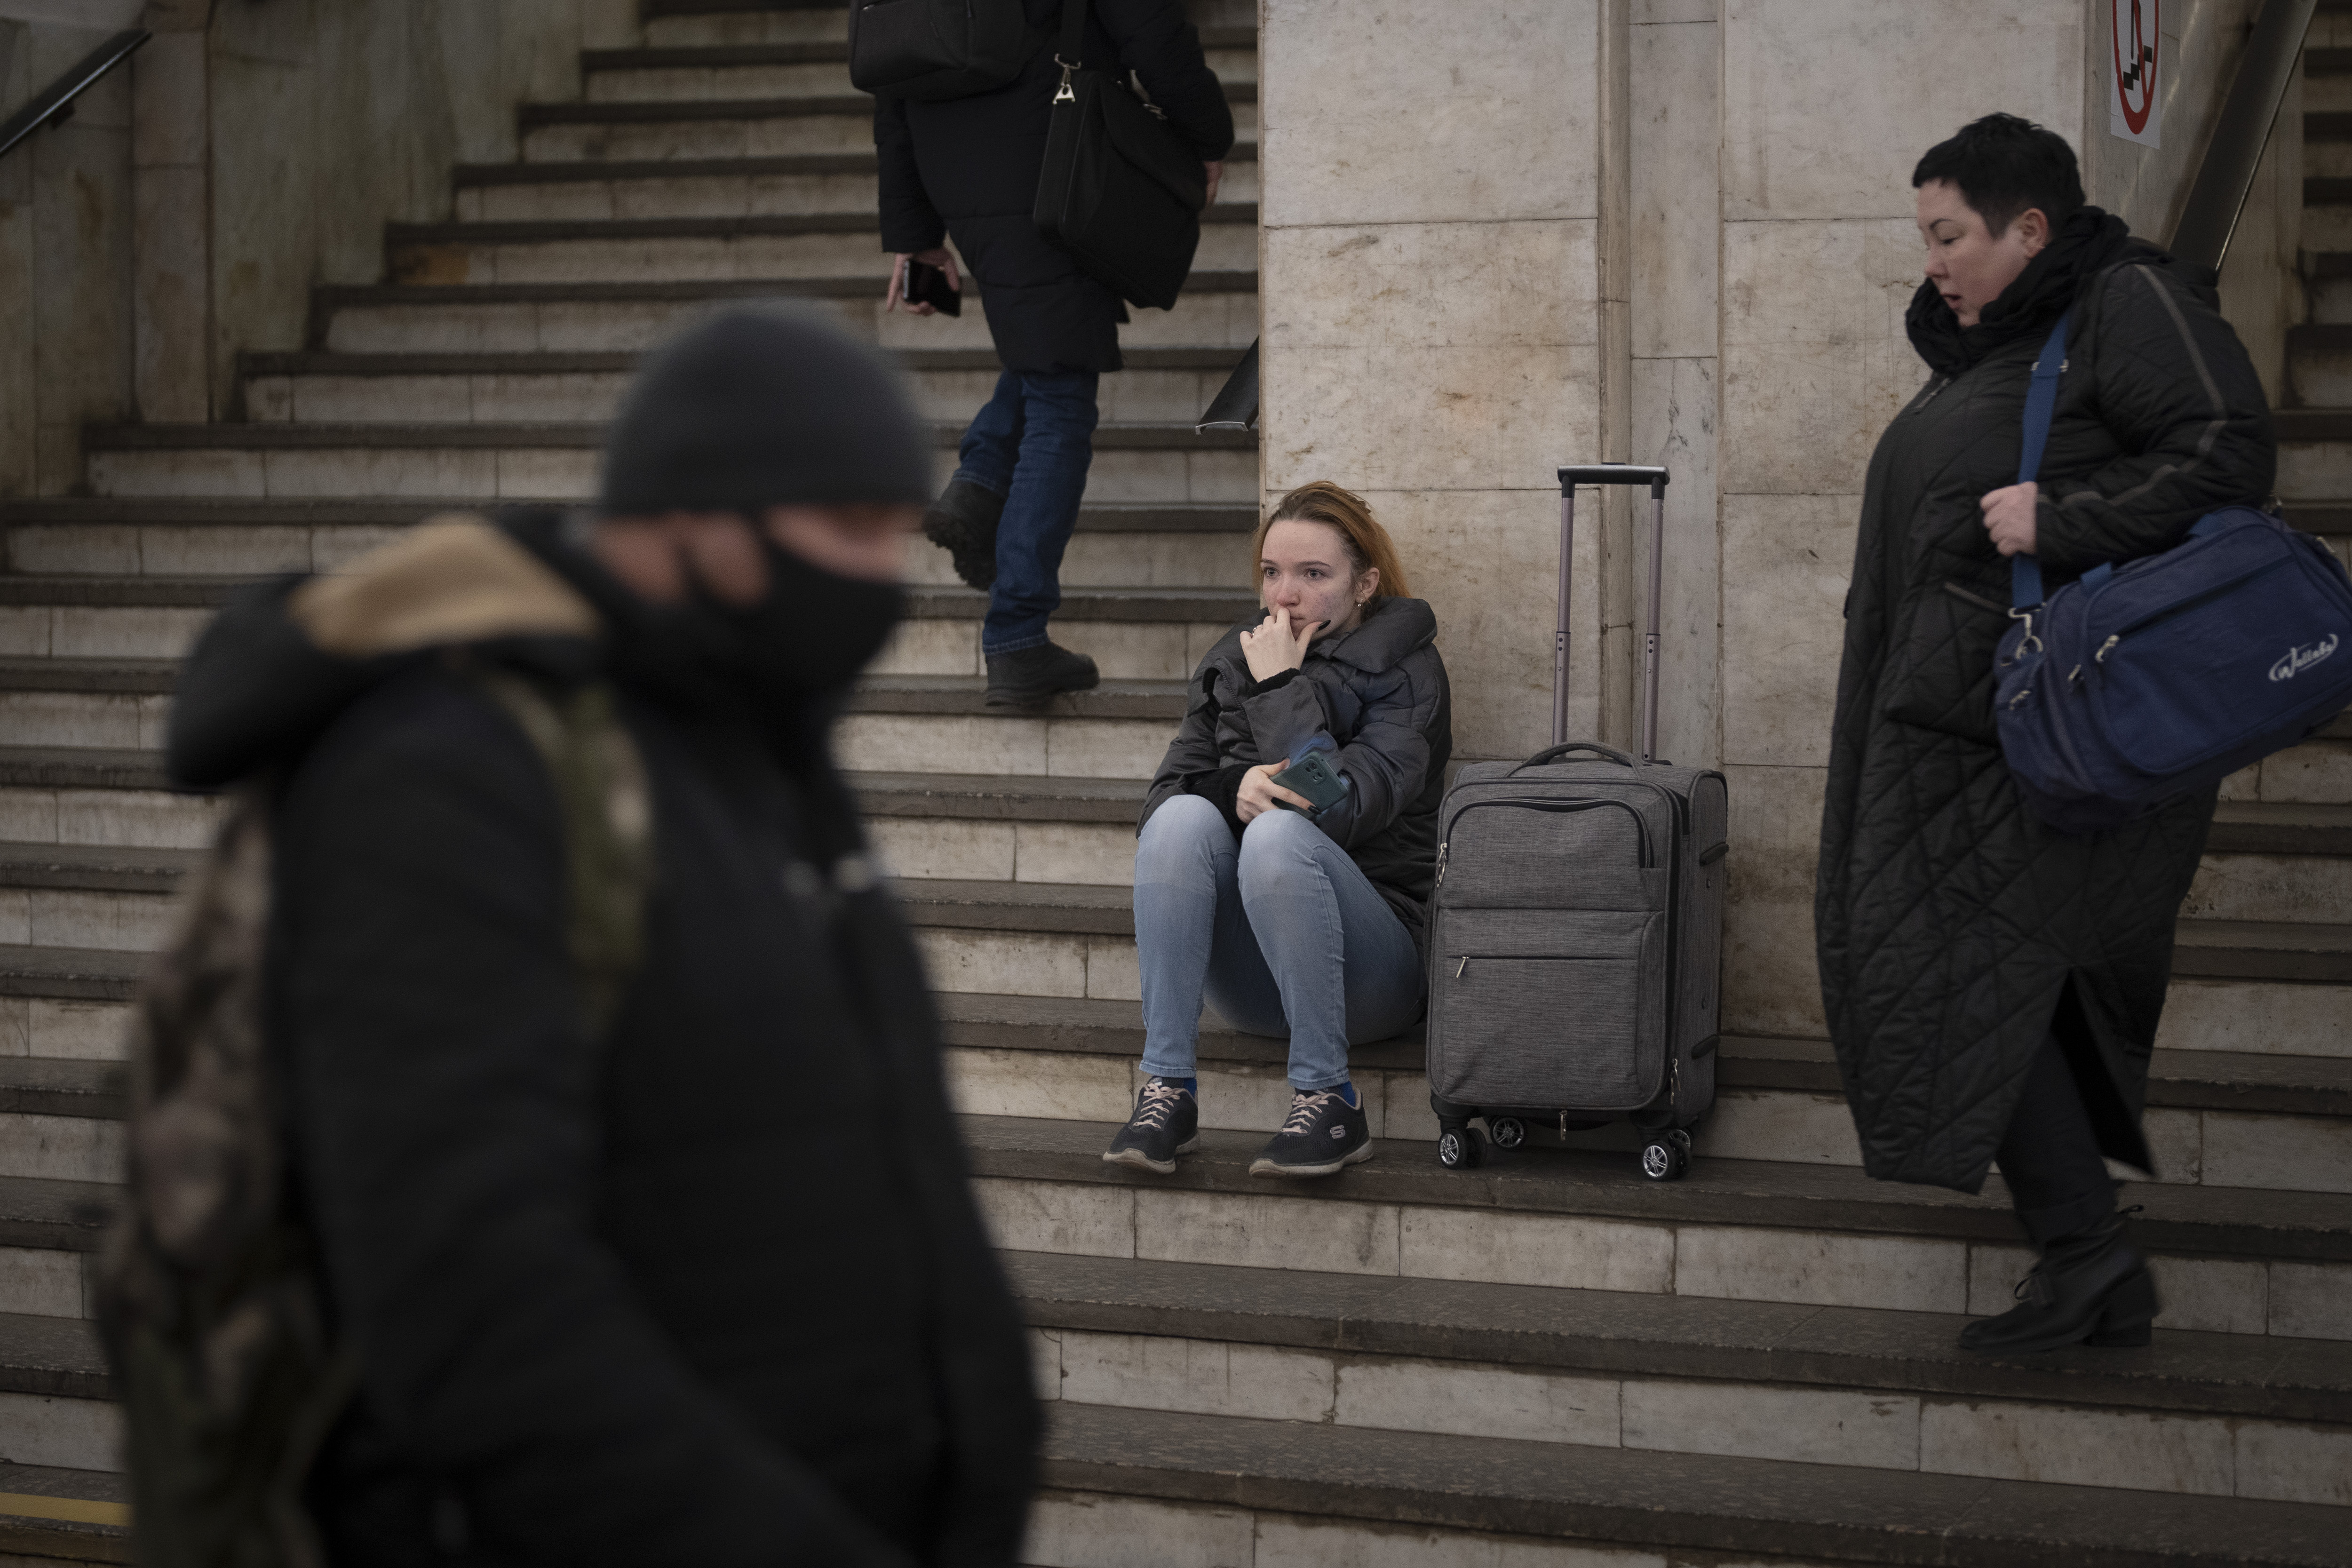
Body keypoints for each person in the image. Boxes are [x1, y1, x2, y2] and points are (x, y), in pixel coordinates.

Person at [163, 305, 1040, 1565]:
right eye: (849, 532)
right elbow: (475, 1304)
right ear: (697, 521)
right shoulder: (450, 772)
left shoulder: (753, 742)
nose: (882, 586)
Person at [1816, 115, 2274, 1353]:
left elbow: (2231, 454)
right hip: (1954, 725)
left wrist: (2062, 517)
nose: (1934, 263)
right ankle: (2090, 1257)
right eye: (1927, 238)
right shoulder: (1998, 348)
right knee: (1972, 965)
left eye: (1950, 234)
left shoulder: (2124, 303)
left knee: (1967, 962)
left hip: (2039, 725)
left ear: (2032, 227)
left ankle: (2088, 1254)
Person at [874, 0, 1234, 707]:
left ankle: (979, 483)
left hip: (954, 159)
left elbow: (891, 68)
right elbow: (1151, 31)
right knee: (1063, 395)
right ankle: (1016, 634)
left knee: (1054, 340)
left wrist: (914, 229)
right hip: (1049, 143)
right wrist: (1206, 134)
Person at [1106, 482, 1451, 1178]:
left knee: (1279, 835)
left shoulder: (1408, 674)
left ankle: (1329, 1096)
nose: (1284, 596)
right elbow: (1162, 801)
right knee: (1180, 821)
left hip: (1376, 974)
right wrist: (1228, 789)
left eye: (1313, 574)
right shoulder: (1234, 659)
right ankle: (1167, 1087)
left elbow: (1343, 808)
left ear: (1366, 584)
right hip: (1255, 984)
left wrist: (1277, 692)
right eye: (1272, 572)